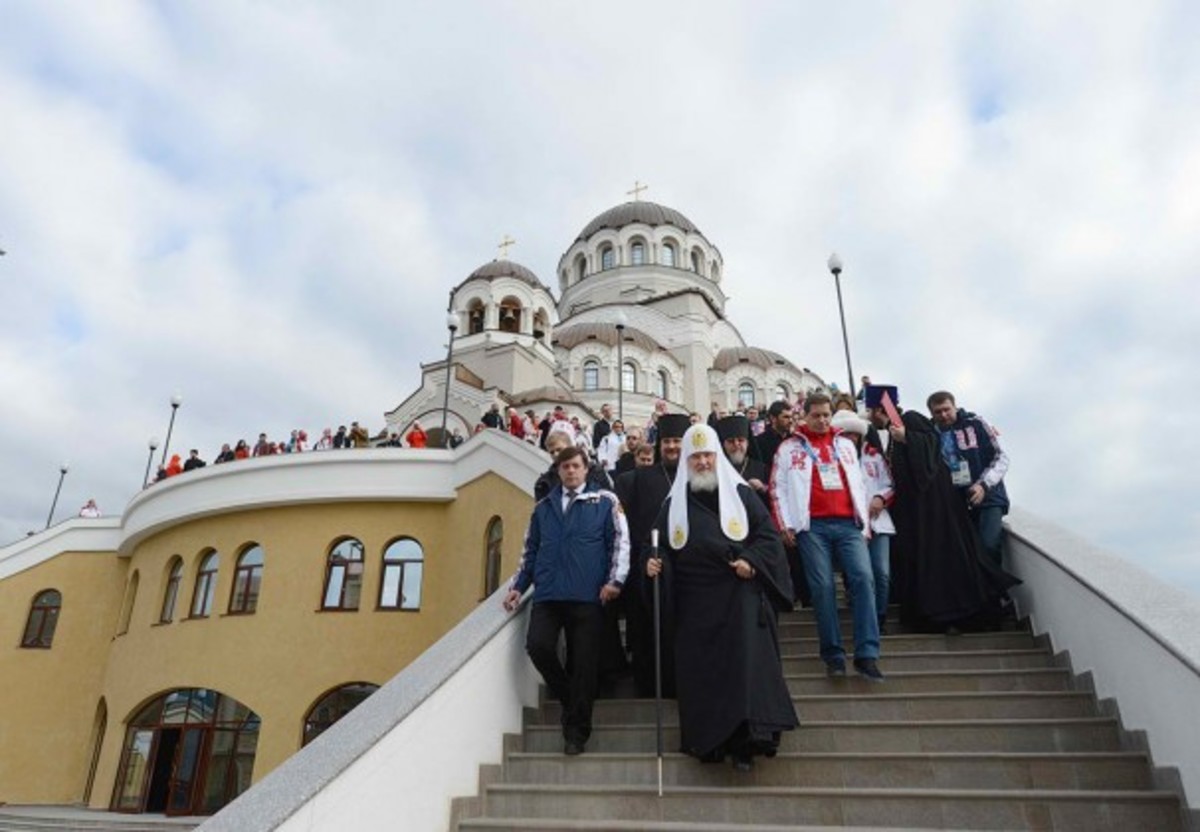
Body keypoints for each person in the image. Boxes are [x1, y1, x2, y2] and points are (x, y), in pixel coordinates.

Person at [647, 424, 798, 771]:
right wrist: (654, 562)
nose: (702, 462)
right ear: (686, 459)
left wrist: (751, 560)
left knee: (744, 666)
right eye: (695, 456)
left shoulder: (741, 494)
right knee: (704, 674)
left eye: (707, 455)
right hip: (695, 602)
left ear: (717, 457)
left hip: (738, 592)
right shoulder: (673, 505)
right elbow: (657, 545)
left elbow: (768, 538)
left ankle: (747, 740)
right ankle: (710, 742)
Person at [502, 445, 629, 756]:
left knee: (584, 664)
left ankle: (576, 732)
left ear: (586, 469)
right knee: (538, 646)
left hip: (588, 597)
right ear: (558, 471)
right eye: (565, 467)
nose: (570, 471)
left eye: (575, 466)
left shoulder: (605, 502)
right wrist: (519, 586)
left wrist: (615, 581)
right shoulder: (543, 507)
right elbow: (530, 551)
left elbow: (620, 543)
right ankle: (571, 699)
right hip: (548, 594)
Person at [771, 393, 883, 681]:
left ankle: (867, 654)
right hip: (812, 528)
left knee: (863, 579)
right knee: (822, 588)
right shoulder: (788, 448)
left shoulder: (845, 444)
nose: (821, 420)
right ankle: (833, 655)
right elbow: (777, 488)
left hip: (849, 524)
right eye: (816, 415)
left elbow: (858, 483)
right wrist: (785, 524)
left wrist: (865, 526)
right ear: (804, 416)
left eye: (826, 415)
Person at [888, 407, 1019, 632]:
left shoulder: (926, 457)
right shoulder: (940, 463)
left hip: (937, 530)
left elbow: (999, 456)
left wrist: (907, 438)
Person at [613, 413, 690, 697]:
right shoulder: (640, 478)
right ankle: (648, 686)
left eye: (678, 442)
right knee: (647, 630)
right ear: (659, 445)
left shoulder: (695, 476)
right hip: (647, 566)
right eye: (668, 441)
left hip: (685, 569)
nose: (672, 447)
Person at [927, 391, 1011, 568]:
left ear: (955, 407)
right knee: (966, 552)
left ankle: (997, 593)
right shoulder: (931, 435)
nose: (943, 415)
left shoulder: (976, 423)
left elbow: (1001, 458)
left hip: (989, 497)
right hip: (957, 502)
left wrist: (983, 486)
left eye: (947, 409)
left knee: (988, 545)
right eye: (938, 412)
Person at [833, 410, 894, 634]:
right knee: (860, 575)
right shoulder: (831, 459)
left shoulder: (874, 456)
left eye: (854, 435)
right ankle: (865, 619)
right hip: (851, 525)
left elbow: (890, 484)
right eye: (845, 434)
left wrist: (880, 498)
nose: (850, 439)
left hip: (879, 521)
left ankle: (880, 617)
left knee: (882, 572)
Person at [535, 424, 612, 502]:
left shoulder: (595, 472)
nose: (556, 454)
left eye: (559, 449)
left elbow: (609, 501)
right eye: (552, 452)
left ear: (570, 447)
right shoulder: (544, 482)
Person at [716, 415, 768, 503]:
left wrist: (762, 487)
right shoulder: (717, 468)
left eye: (740, 440)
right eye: (731, 441)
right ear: (723, 444)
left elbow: (773, 498)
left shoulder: (761, 468)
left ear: (747, 443)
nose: (736, 444)